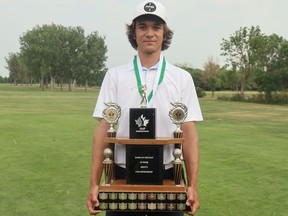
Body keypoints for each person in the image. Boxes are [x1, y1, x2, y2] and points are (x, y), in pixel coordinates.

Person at [87, 1, 203, 216]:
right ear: (134, 32)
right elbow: (103, 130)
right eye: (142, 27)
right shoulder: (115, 76)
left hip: (170, 176)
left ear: (164, 32)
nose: (149, 33)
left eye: (156, 27)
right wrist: (94, 183)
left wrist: (192, 185)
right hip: (121, 176)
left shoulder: (182, 78)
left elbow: (189, 133)